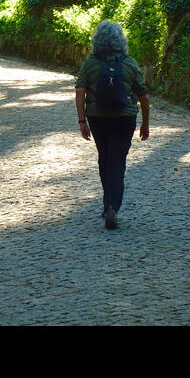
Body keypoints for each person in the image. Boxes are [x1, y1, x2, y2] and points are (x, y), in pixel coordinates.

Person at [75, 20, 150, 229]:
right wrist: (145, 124)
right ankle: (112, 207)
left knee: (104, 158)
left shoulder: (90, 63)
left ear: (97, 39)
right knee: (117, 161)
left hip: (97, 118)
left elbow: (80, 91)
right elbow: (144, 96)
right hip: (124, 118)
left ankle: (108, 203)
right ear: (121, 40)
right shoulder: (129, 63)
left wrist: (82, 121)